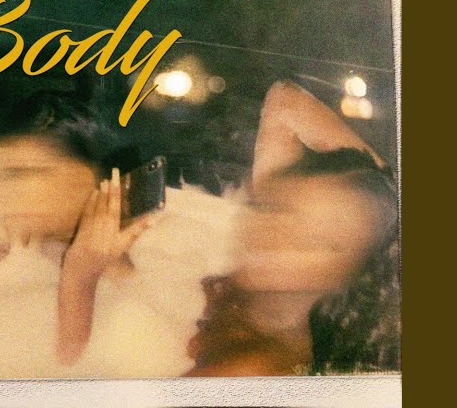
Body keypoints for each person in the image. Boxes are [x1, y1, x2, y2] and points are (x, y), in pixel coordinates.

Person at [56, 80, 399, 374]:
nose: (277, 237)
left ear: (353, 275)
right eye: (279, 209)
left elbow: (67, 374)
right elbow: (285, 100)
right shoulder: (265, 296)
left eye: (315, 242)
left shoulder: (252, 369)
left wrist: (79, 274)